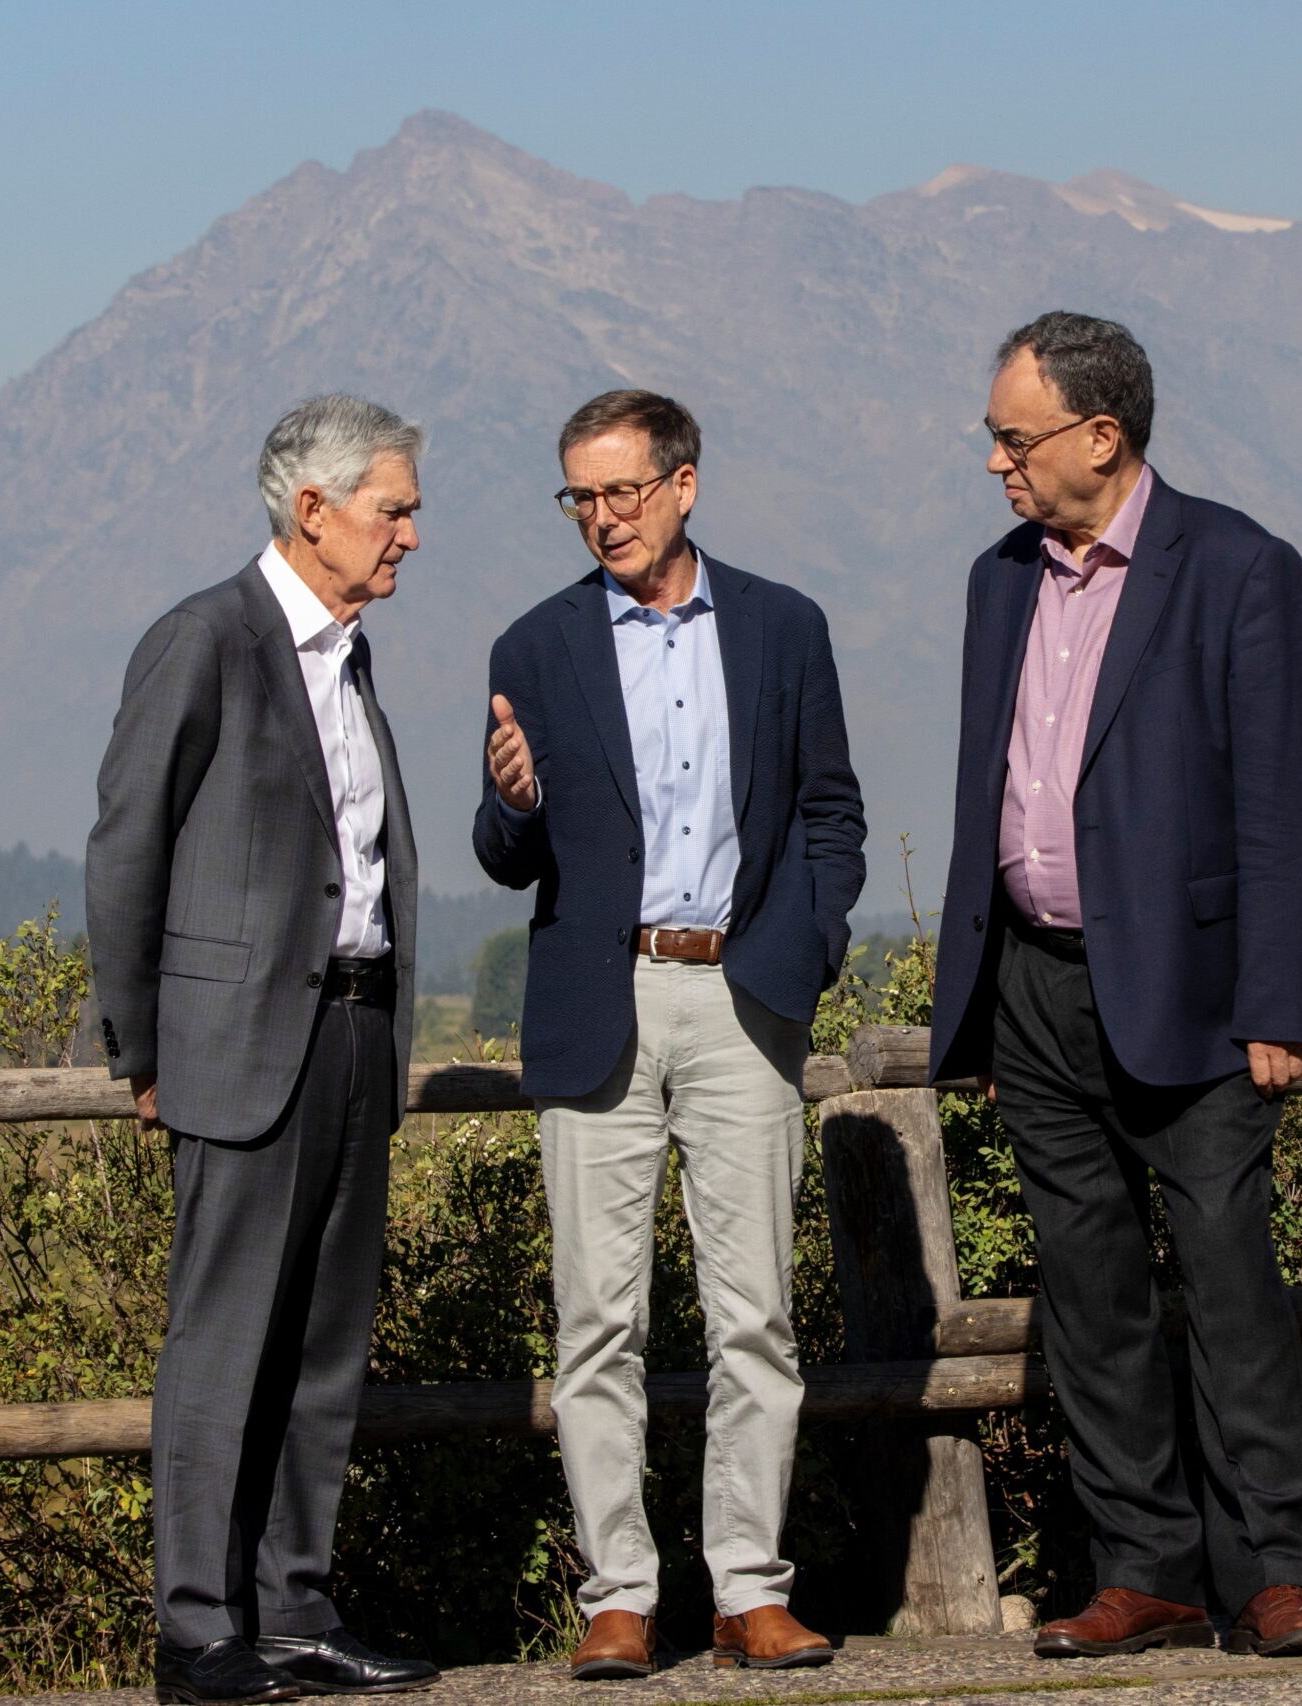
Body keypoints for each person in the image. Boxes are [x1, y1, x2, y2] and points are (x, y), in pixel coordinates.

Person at [927, 313, 1302, 1660]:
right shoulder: (1000, 578)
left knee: (1230, 1278)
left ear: (1099, 438)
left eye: (1016, 436)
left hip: (1205, 993)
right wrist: (986, 990)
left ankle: (1275, 1574)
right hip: (1040, 992)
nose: (998, 461)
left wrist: (1279, 1002)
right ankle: (1147, 1570)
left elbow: (1288, 803)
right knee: (1088, 1291)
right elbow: (990, 787)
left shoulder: (1240, 569)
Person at [473, 389, 867, 1680]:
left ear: (686, 484)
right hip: (602, 1001)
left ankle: (753, 1589)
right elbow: (504, 849)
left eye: (623, 492)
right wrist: (512, 804)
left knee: (756, 1316)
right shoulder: (532, 646)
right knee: (599, 1320)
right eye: (580, 497)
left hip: (744, 994)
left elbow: (830, 813)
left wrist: (803, 953)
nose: (602, 519)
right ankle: (620, 1597)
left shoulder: (784, 629)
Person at [87, 394, 441, 1704]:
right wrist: (143, 1046)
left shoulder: (348, 657)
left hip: (355, 1034)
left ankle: (294, 1613)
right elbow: (126, 847)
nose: (411, 531)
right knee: (225, 1343)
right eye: (393, 508)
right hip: (237, 1048)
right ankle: (200, 1634)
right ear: (314, 509)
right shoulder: (207, 640)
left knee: (323, 1348)